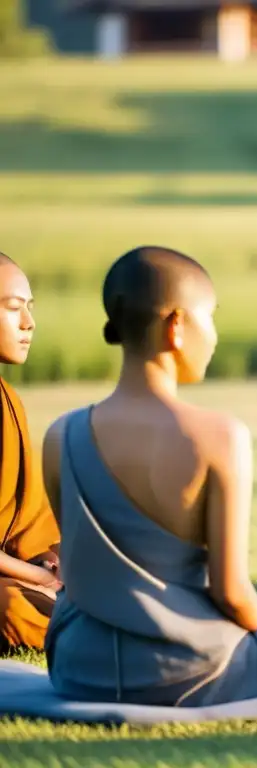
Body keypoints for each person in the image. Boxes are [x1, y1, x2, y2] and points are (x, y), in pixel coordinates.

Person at [41, 246, 257, 706]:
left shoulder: (60, 433)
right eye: (211, 318)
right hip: (183, 674)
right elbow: (230, 592)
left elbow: (86, 572)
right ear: (177, 326)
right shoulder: (218, 436)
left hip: (77, 668)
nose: (216, 337)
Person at [0, 253, 62, 655]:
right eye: (12, 308)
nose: (28, 323)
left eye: (30, 307)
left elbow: (30, 519)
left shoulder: (9, 402)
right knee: (11, 607)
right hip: (9, 586)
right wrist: (36, 578)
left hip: (14, 571)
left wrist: (53, 561)